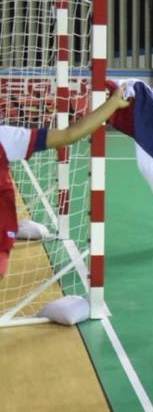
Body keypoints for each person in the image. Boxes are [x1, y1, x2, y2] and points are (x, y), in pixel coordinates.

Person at [0, 88, 130, 278]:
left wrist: (112, 104)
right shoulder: (5, 137)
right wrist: (113, 103)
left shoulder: (5, 137)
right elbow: (70, 134)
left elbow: (70, 134)